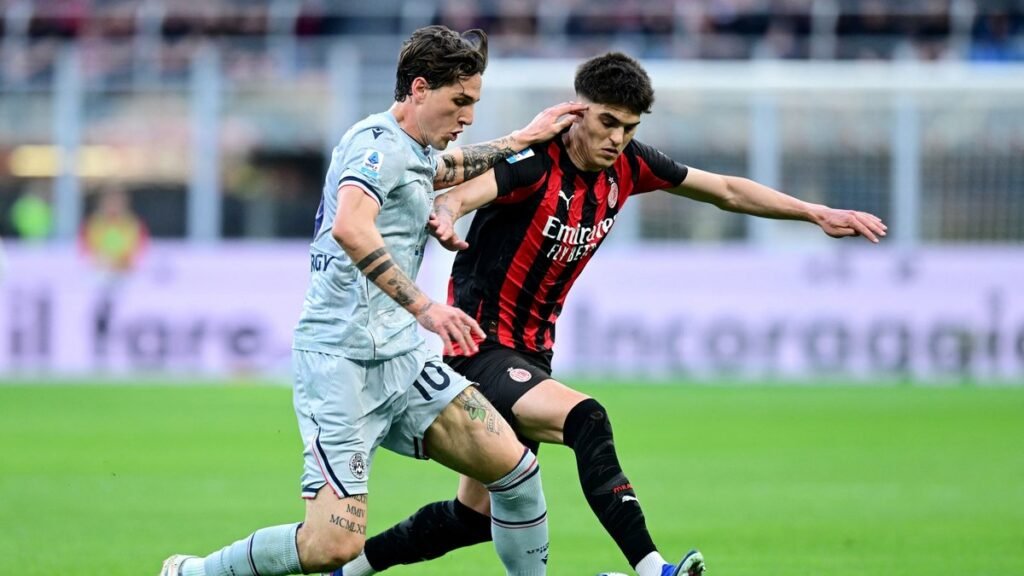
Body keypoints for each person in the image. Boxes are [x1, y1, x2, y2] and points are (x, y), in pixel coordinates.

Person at [340, 52, 887, 576]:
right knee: (587, 419)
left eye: (628, 127)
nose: (617, 138)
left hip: (532, 356)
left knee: (475, 518)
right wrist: (447, 210)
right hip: (480, 349)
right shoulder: (535, 163)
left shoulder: (629, 164)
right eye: (607, 122)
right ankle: (654, 568)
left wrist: (814, 212)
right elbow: (467, 193)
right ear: (578, 111)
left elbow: (724, 190)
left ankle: (349, 569)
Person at [159, 26, 586, 576]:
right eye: (460, 101)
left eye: (474, 103)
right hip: (342, 362)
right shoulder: (375, 144)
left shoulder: (411, 149)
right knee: (330, 547)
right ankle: (193, 573)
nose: (468, 116)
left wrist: (521, 138)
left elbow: (446, 170)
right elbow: (351, 228)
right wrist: (425, 308)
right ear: (419, 89)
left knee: (515, 470)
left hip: (402, 359)